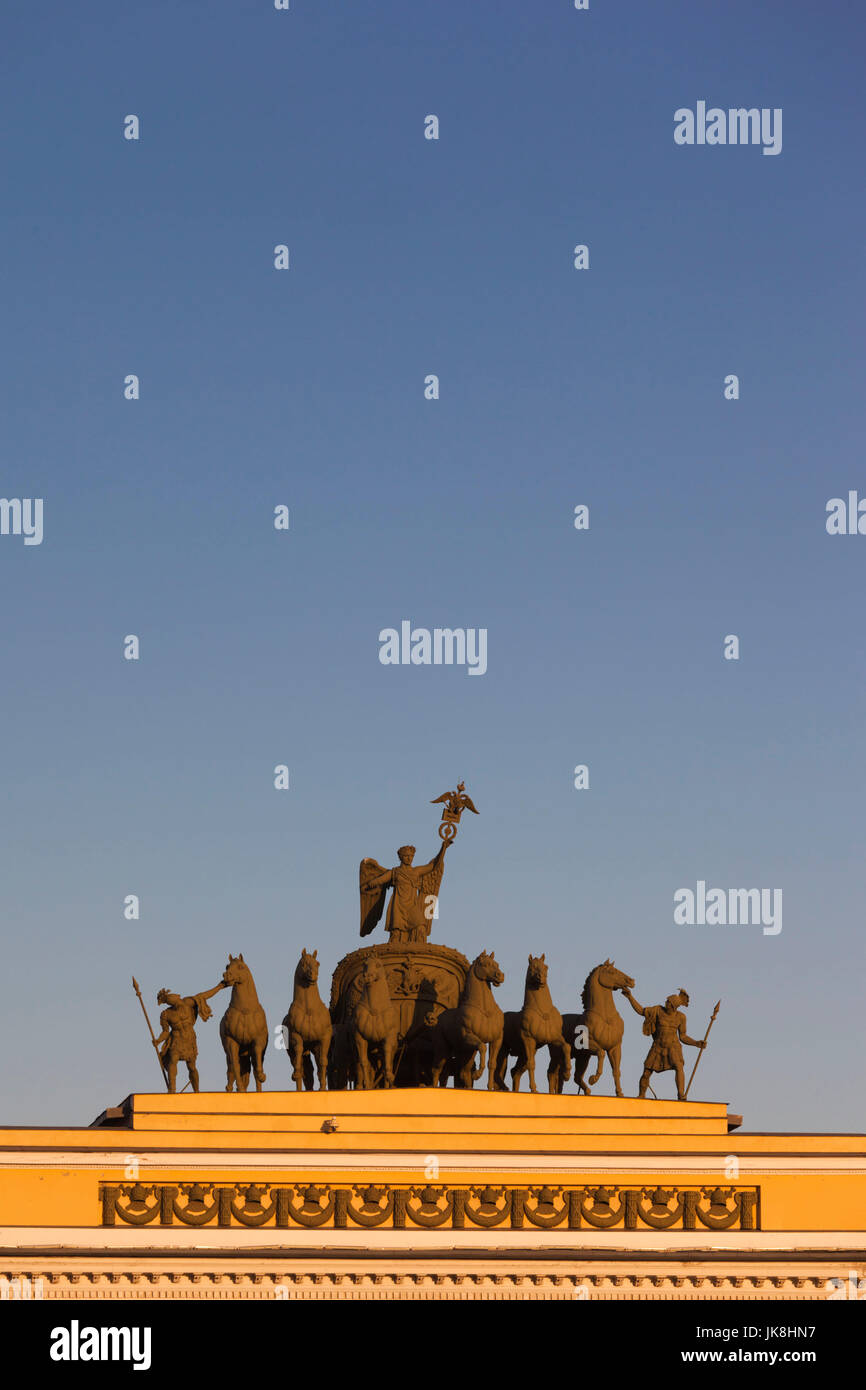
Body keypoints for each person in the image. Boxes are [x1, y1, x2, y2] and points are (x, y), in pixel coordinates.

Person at [621, 987, 705, 1101]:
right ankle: (641, 1095)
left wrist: (696, 1043)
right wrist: (630, 997)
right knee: (646, 1072)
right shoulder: (657, 1010)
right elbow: (641, 1011)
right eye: (667, 1001)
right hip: (658, 1046)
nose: (666, 1004)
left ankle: (681, 1094)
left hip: (673, 1047)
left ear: (673, 1006)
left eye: (669, 1003)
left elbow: (683, 1036)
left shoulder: (681, 1017)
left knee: (679, 1066)